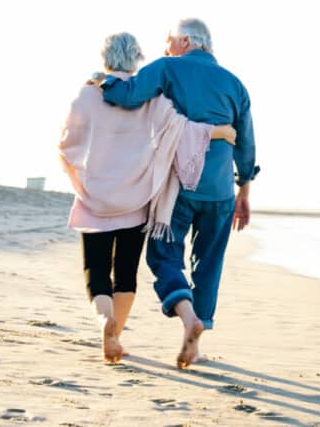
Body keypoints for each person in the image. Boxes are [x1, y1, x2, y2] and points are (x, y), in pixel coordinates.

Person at [59, 32, 236, 363]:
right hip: (136, 200)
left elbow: (67, 143)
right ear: (138, 57)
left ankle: (104, 322)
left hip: (95, 197)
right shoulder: (151, 98)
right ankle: (118, 334)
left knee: (95, 270)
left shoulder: (87, 94)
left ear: (105, 57)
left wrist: (80, 178)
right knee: (125, 273)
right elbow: (184, 129)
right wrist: (223, 132)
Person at [97, 18, 258, 368]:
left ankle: (188, 320)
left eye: (169, 40)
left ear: (184, 41)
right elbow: (246, 145)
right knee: (209, 263)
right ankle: (197, 342)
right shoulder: (235, 83)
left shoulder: (168, 67)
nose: (166, 47)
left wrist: (102, 81)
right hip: (220, 191)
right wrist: (244, 189)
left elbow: (127, 95)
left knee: (163, 254)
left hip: (180, 185)